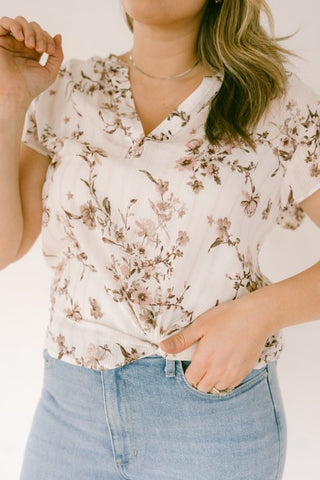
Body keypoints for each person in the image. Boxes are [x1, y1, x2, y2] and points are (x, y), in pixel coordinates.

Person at [0, 0, 319, 479]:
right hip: (70, 409)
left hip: (210, 417)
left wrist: (262, 312)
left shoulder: (274, 101)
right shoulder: (66, 88)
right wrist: (10, 100)